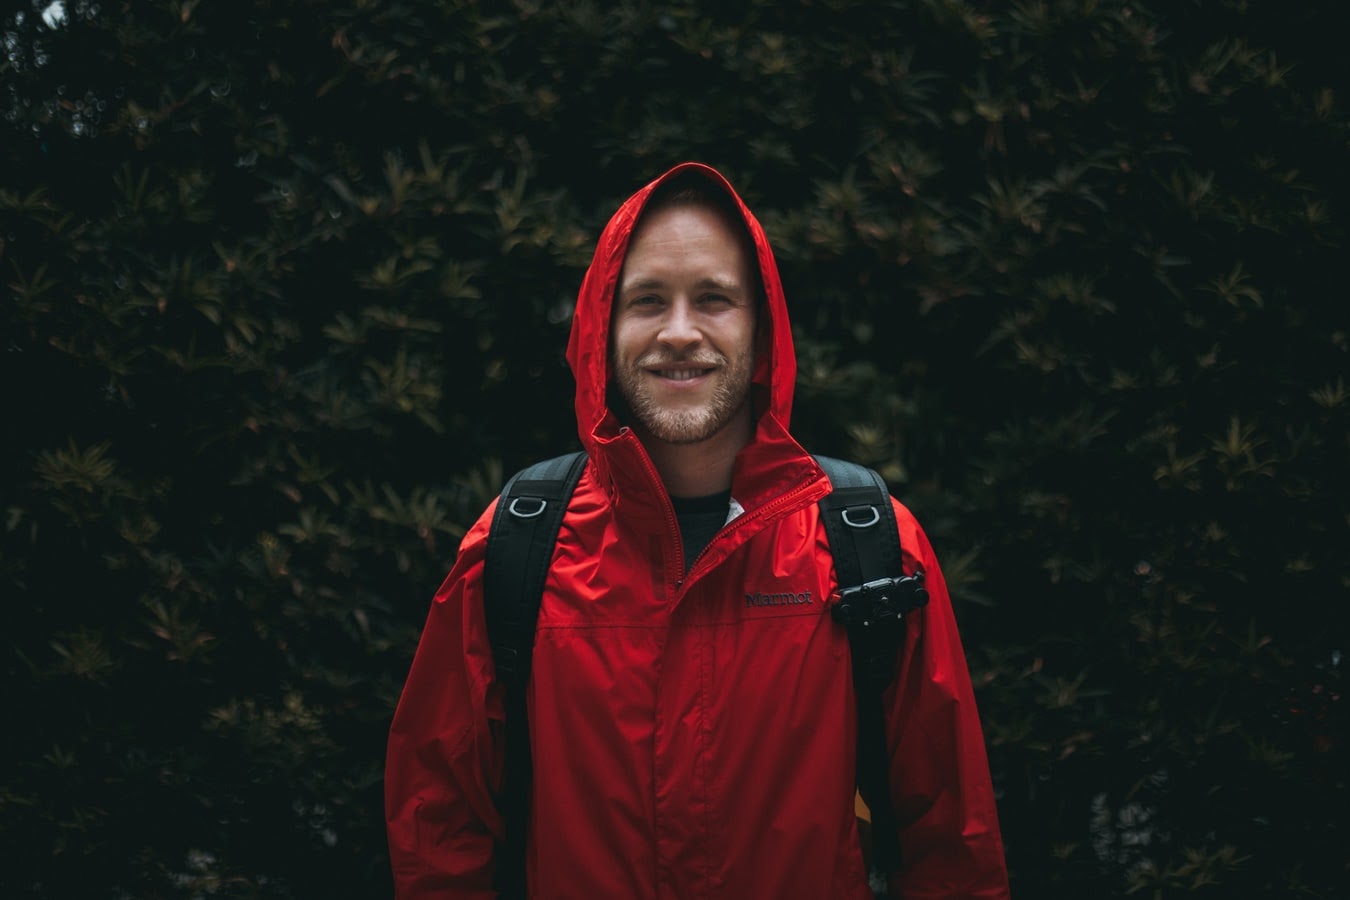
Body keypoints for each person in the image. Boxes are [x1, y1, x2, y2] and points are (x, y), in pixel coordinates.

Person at [385, 162, 1010, 899]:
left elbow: (951, 842)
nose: (680, 333)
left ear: (761, 327)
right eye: (648, 300)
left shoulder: (869, 544)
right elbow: (439, 835)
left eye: (713, 299)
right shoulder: (516, 546)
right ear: (600, 329)